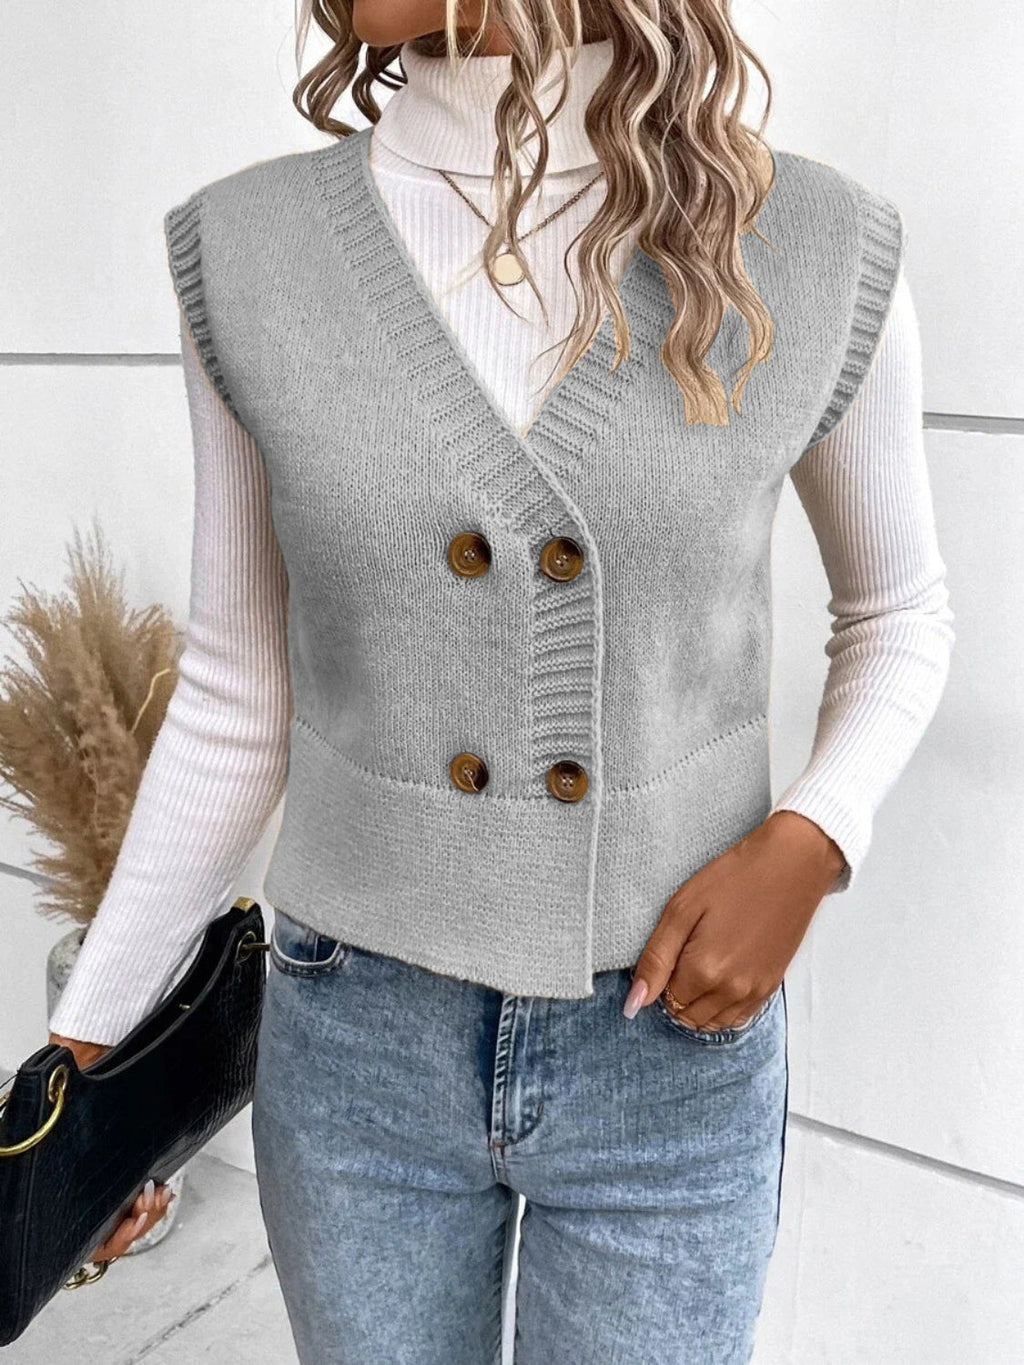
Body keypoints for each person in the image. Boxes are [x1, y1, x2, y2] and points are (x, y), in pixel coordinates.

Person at [47, 1, 954, 1359]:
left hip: (673, 1049)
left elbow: (899, 612)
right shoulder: (246, 254)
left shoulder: (813, 244)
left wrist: (811, 837)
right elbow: (237, 696)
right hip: (353, 1048)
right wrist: (88, 1050)